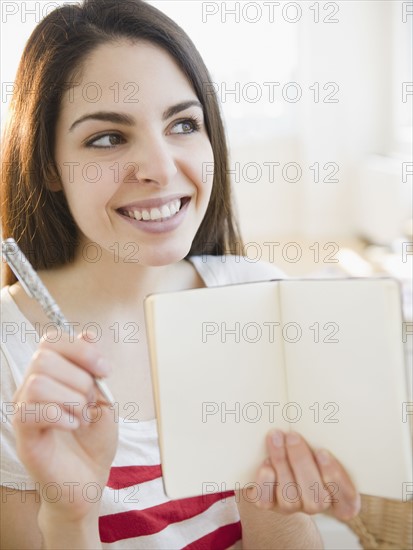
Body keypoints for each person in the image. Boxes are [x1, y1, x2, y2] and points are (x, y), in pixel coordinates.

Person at [0, 1, 360, 548]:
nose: (163, 168)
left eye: (183, 124)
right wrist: (69, 518)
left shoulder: (260, 296)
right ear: (48, 163)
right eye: (107, 138)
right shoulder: (13, 361)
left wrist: (275, 508)